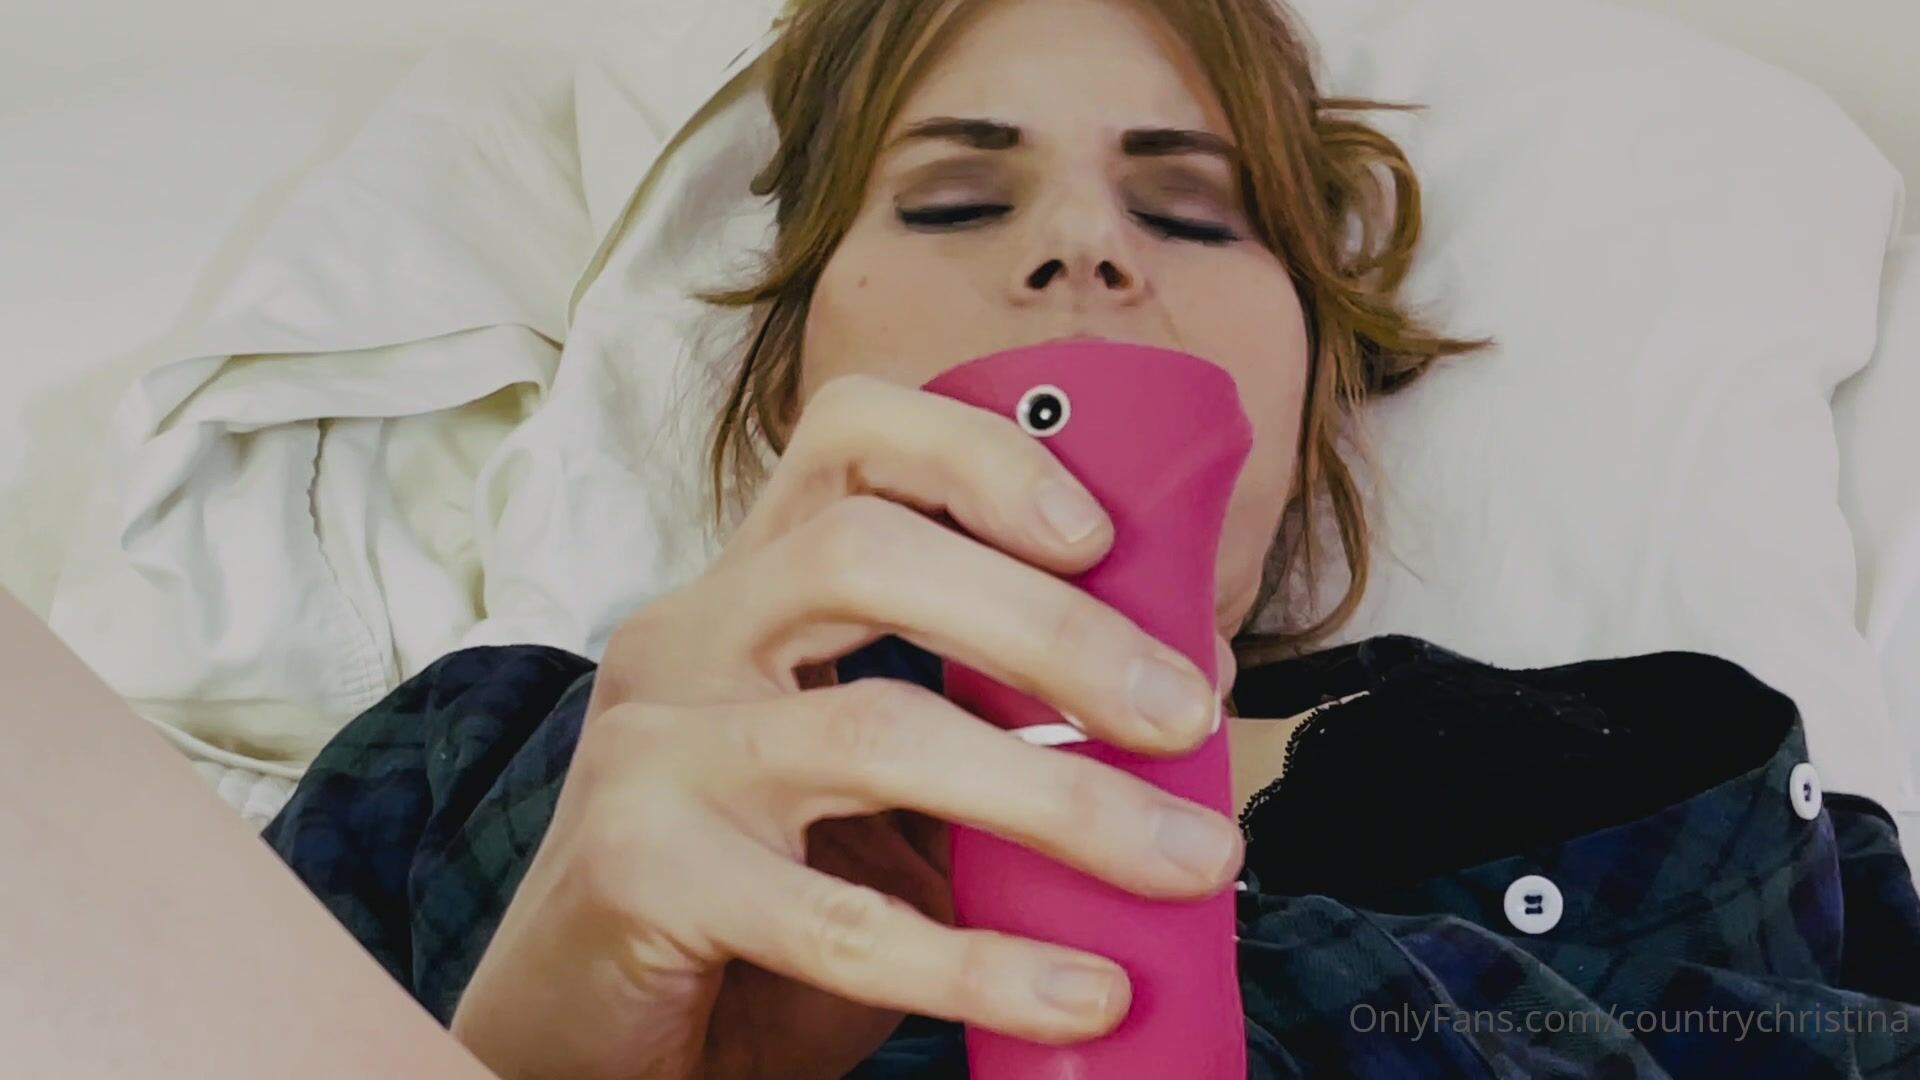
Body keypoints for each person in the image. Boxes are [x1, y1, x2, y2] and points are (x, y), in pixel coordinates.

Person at [257, 0, 1920, 1077]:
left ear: (1308, 402)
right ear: (796, 385)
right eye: (955, 202)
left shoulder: (1687, 784)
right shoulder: (475, 768)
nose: (1078, 247)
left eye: (1190, 211)